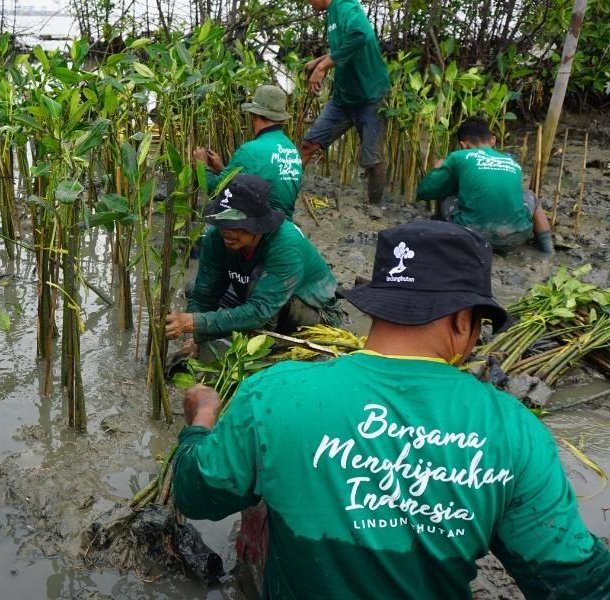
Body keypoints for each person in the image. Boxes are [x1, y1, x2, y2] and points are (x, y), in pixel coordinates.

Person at [172, 220, 610, 598]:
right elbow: (574, 585)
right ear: (464, 322)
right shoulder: (515, 431)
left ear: (377, 307)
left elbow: (196, 494)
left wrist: (202, 419)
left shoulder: (272, 393)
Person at [165, 173, 345, 343]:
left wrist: (193, 323)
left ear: (258, 224)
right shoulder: (217, 238)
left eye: (236, 226)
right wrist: (194, 339)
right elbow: (204, 297)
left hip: (310, 308)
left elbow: (259, 311)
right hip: (254, 295)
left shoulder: (286, 244)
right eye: (223, 224)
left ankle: (263, 340)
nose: (227, 232)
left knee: (256, 293)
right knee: (194, 289)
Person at [417, 116, 555, 254]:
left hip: (472, 236)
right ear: (493, 140)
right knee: (531, 196)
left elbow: (426, 191)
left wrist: (437, 169)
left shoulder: (458, 156)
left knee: (445, 193)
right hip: (517, 236)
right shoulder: (512, 162)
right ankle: (548, 251)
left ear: (463, 145)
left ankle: (443, 242)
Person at [300, 0, 390, 204]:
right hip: (342, 99)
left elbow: (361, 35)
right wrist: (320, 60)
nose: (308, 3)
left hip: (370, 97)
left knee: (371, 160)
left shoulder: (347, 6)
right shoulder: (332, 12)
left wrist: (323, 67)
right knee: (309, 145)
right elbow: (346, 45)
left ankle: (375, 207)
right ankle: (287, 190)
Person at [193, 85, 303, 220]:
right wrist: (222, 170)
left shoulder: (250, 150)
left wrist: (202, 166)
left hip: (261, 227)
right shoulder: (291, 148)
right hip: (284, 223)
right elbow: (259, 180)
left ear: (254, 116)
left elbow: (217, 191)